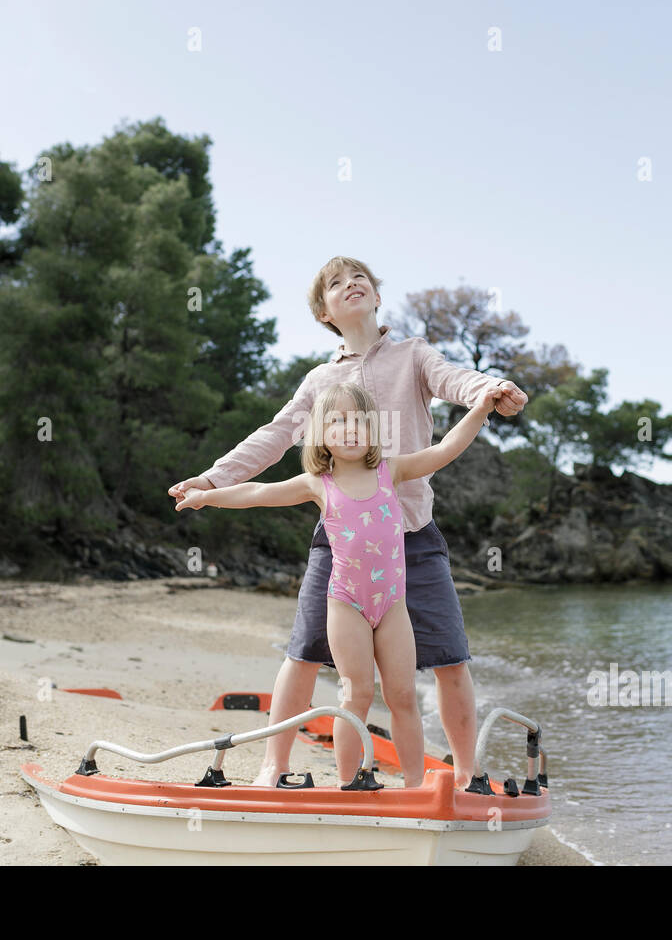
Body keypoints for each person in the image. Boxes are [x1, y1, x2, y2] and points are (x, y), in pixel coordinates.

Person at [167, 255, 528, 788]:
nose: (350, 284)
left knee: (451, 659)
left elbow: (456, 382)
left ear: (377, 296)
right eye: (335, 283)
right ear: (324, 312)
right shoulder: (319, 382)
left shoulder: (413, 355)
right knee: (304, 654)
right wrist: (213, 481)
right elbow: (273, 437)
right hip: (339, 546)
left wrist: (490, 391)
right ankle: (274, 764)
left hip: (415, 539)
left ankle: (468, 774)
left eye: (359, 277)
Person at [176, 379, 504, 786]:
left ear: (374, 430)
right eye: (337, 421)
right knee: (356, 696)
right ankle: (351, 784)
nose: (349, 429)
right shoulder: (318, 484)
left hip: (393, 607)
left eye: (358, 421)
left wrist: (481, 408)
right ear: (322, 435)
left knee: (403, 698)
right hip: (346, 604)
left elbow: (445, 449)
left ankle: (417, 789)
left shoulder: (393, 470)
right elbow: (258, 491)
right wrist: (206, 494)